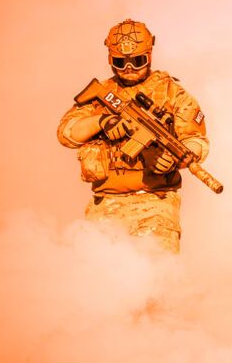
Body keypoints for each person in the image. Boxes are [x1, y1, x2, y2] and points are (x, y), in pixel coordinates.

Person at [57, 19, 210, 253]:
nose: (129, 68)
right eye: (121, 62)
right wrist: (102, 121)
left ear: (149, 55)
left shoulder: (171, 93)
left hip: (156, 203)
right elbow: (67, 133)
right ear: (110, 60)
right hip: (105, 203)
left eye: (138, 61)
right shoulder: (102, 95)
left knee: (157, 270)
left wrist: (174, 160)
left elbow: (196, 141)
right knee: (94, 270)